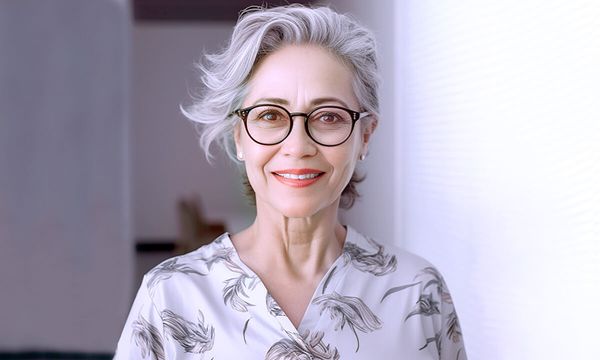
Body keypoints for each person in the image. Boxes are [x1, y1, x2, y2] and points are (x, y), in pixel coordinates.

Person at [114, 4, 467, 359]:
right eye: (270, 115)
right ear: (239, 136)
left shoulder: (418, 292)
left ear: (365, 135)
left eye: (328, 116)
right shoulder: (170, 297)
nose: (298, 146)